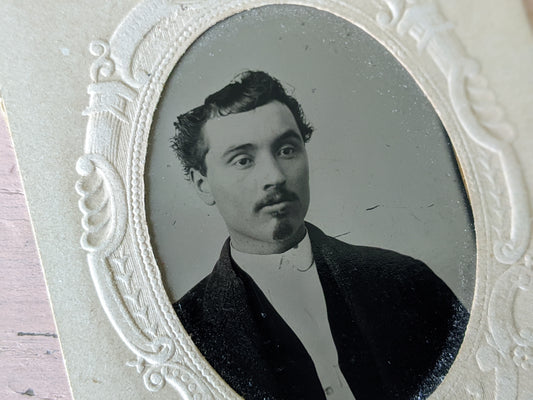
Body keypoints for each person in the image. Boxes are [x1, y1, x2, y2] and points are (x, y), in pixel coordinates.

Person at [170, 70, 468, 400]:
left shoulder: (406, 280)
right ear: (202, 184)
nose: (275, 176)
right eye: (243, 160)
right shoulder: (182, 334)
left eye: (286, 150)